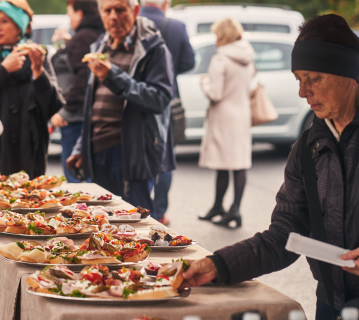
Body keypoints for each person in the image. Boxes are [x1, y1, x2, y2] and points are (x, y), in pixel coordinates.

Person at [181, 14, 359, 319]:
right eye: (298, 80)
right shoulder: (308, 147)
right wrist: (218, 264)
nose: (303, 93)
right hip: (331, 302)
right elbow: (285, 235)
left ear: (350, 74)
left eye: (314, 79)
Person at [66, 0, 173, 216]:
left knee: (135, 228)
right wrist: (81, 147)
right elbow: (93, 104)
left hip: (131, 150)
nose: (114, 16)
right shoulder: (99, 46)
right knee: (100, 224)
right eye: (108, 10)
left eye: (120, 9)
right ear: (101, 14)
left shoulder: (153, 48)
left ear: (134, 11)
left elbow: (160, 98)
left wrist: (113, 76)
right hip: (98, 153)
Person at [0, 0, 64, 178]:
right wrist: (3, 70)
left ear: (20, 26)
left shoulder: (37, 56)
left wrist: (38, 72)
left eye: (5, 21)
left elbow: (53, 106)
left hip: (29, 153)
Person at [139, 0, 195, 224]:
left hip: (135, 97)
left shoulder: (133, 23)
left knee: (138, 153)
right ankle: (158, 212)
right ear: (165, 3)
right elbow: (189, 62)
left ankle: (138, 206)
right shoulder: (175, 26)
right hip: (166, 98)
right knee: (164, 154)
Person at [197, 18, 254, 228]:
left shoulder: (220, 59)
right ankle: (234, 209)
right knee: (239, 164)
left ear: (223, 36)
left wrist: (204, 83)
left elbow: (216, 93)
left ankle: (218, 207)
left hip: (224, 117)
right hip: (242, 114)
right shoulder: (247, 56)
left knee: (223, 165)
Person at [50, 0, 104, 183]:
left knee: (76, 176)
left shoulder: (83, 38)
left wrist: (64, 111)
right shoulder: (94, 35)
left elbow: (83, 79)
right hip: (87, 115)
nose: (68, 18)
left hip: (75, 117)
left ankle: (80, 211)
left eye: (69, 13)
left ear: (79, 14)